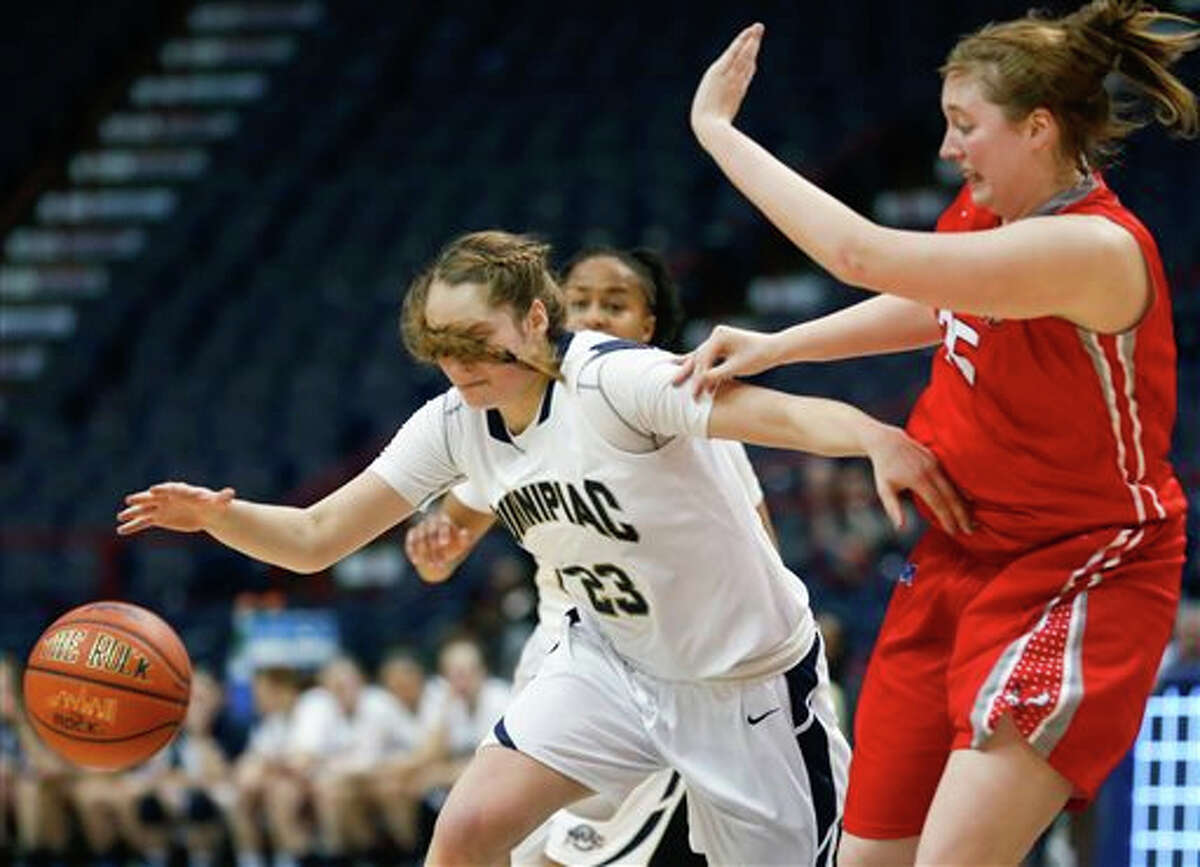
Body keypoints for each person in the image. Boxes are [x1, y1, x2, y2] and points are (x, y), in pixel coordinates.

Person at [116, 230, 968, 865]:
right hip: (607, 664)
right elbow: (316, 537)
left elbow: (772, 413)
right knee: (468, 831)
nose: (460, 365)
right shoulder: (455, 421)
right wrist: (217, 516)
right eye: (441, 347)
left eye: (477, 342)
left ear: (534, 316)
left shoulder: (614, 379)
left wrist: (870, 434)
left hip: (742, 681)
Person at [679, 4, 1195, 863]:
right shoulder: (985, 213)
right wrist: (783, 345)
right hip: (956, 555)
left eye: (967, 127)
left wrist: (716, 131)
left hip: (1079, 566)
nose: (950, 149)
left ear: (1037, 129)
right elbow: (935, 300)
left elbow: (861, 255)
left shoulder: (1093, 248)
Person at [403, 245, 775, 866]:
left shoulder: (673, 414)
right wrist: (437, 548)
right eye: (579, 302)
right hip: (557, 657)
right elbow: (452, 532)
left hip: (654, 666)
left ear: (648, 327)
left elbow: (761, 553)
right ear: (547, 315)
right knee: (506, 850)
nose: (596, 315)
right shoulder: (515, 412)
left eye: (615, 303)